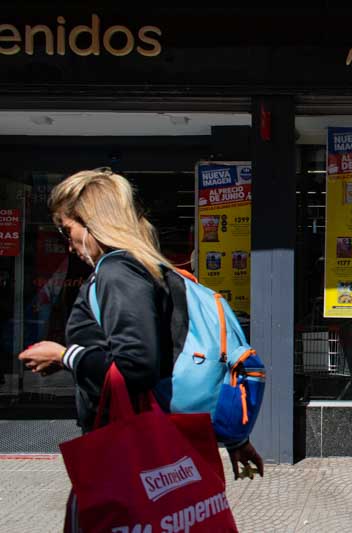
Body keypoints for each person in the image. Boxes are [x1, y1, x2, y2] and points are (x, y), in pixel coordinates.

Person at [17, 169, 263, 526]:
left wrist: (63, 355)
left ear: (91, 224)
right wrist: (236, 439)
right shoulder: (159, 270)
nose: (68, 243)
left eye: (66, 230)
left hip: (131, 445)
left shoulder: (117, 271)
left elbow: (137, 365)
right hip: (170, 435)